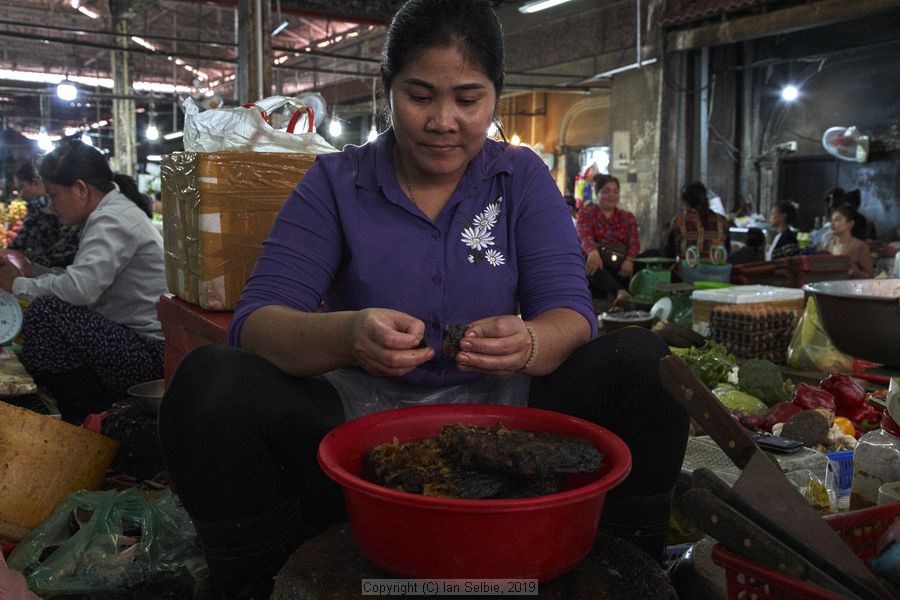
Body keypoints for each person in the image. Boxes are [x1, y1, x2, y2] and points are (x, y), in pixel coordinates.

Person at [157, 1, 689, 597]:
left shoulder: (520, 177)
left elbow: (573, 312)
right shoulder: (336, 182)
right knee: (211, 383)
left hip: (505, 410)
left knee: (648, 365)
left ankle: (627, 565)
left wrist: (532, 340)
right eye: (419, 96)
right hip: (357, 416)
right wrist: (345, 334)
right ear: (387, 90)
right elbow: (257, 322)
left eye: (468, 100)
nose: (443, 121)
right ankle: (264, 577)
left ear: (495, 96)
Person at [0, 140, 166, 424]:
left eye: (53, 195)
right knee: (49, 306)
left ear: (80, 188)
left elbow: (80, 290)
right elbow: (79, 280)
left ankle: (84, 417)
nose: (51, 207)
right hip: (133, 343)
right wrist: (32, 271)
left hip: (147, 354)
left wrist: (18, 285)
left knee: (46, 313)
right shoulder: (109, 213)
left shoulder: (111, 220)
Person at [576, 174, 640, 307]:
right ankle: (619, 292)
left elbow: (634, 242)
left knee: (653, 255)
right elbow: (584, 236)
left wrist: (630, 260)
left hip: (622, 265)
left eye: (615, 191)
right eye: (606, 191)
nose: (612, 196)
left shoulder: (627, 217)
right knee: (584, 263)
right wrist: (592, 252)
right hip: (600, 265)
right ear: (597, 193)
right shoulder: (586, 214)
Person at [11, 160, 81, 269]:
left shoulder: (38, 206)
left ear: (36, 183)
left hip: (51, 270)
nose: (21, 194)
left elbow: (20, 242)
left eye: (22, 188)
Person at [663, 180, 730, 261]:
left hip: (686, 271)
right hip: (717, 272)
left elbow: (669, 253)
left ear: (685, 202)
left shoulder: (678, 221)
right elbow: (727, 251)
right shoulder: (722, 221)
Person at [825, 206, 874, 279]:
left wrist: (855, 273)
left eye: (837, 220)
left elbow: (870, 275)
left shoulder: (860, 246)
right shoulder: (827, 245)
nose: (832, 224)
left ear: (850, 224)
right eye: (831, 220)